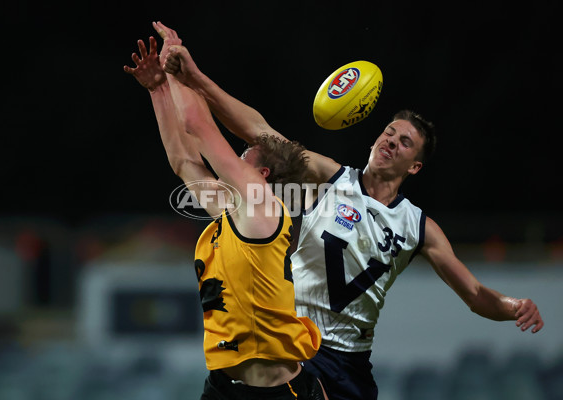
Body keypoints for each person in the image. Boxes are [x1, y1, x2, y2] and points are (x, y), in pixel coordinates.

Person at [155, 22, 545, 400]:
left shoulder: (419, 227)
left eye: (405, 142)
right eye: (389, 132)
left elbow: (475, 294)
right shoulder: (331, 177)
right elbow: (258, 131)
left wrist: (514, 307)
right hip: (296, 343)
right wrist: (197, 79)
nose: (390, 141)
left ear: (415, 167)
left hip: (348, 363)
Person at [123, 30, 328, 400]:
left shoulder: (262, 205)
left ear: (261, 175)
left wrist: (176, 69)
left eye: (246, 153)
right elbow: (184, 161)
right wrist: (158, 90)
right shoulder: (236, 213)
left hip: (280, 392)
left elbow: (199, 127)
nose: (236, 155)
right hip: (224, 387)